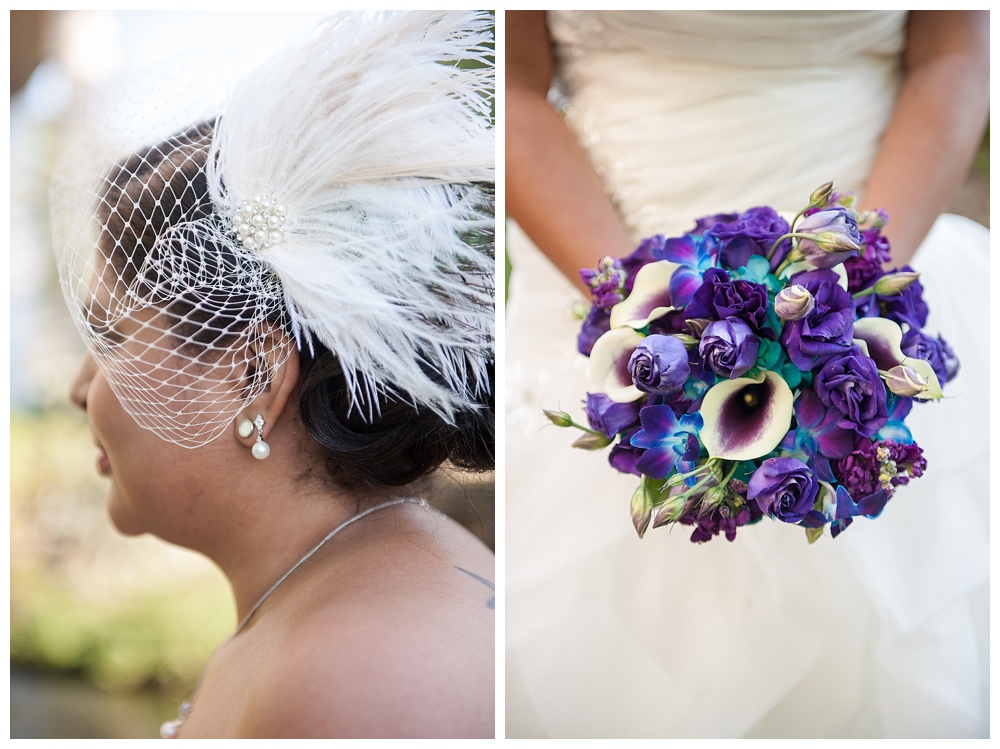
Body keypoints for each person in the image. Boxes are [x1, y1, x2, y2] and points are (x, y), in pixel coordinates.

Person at [506, 10, 987, 738]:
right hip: (614, 270)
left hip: (866, 269)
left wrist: (851, 286)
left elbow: (952, 54)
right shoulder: (639, 322)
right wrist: (646, 319)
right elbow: (512, 87)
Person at [53, 11, 495, 738]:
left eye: (109, 334)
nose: (77, 387)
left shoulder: (355, 674)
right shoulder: (323, 605)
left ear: (255, 371)